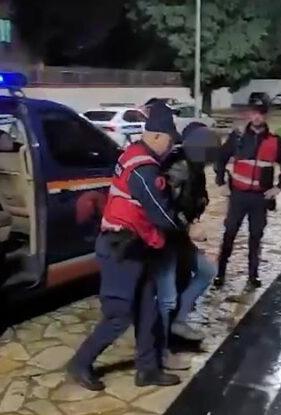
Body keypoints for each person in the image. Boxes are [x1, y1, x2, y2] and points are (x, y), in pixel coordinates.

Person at [68, 103, 186, 391]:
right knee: (119, 314)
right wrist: (187, 229)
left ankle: (148, 370)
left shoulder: (134, 154)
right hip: (120, 248)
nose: (171, 147)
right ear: (157, 136)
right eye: (170, 140)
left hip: (135, 245)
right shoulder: (144, 169)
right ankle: (80, 363)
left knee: (148, 310)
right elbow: (160, 211)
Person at [213, 99, 281, 289]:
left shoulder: (275, 141)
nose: (257, 117)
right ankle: (220, 274)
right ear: (248, 115)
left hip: (260, 198)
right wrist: (221, 182)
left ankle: (253, 275)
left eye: (261, 113)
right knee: (229, 234)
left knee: (256, 236)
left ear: (266, 116)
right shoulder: (238, 137)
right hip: (238, 196)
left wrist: (279, 187)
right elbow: (221, 158)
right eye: (254, 112)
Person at [155, 122, 219, 348]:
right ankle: (159, 344)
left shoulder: (195, 167)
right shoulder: (180, 168)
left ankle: (178, 322)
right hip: (164, 238)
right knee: (167, 295)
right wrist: (188, 226)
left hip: (178, 236)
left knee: (207, 270)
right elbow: (164, 207)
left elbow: (195, 199)